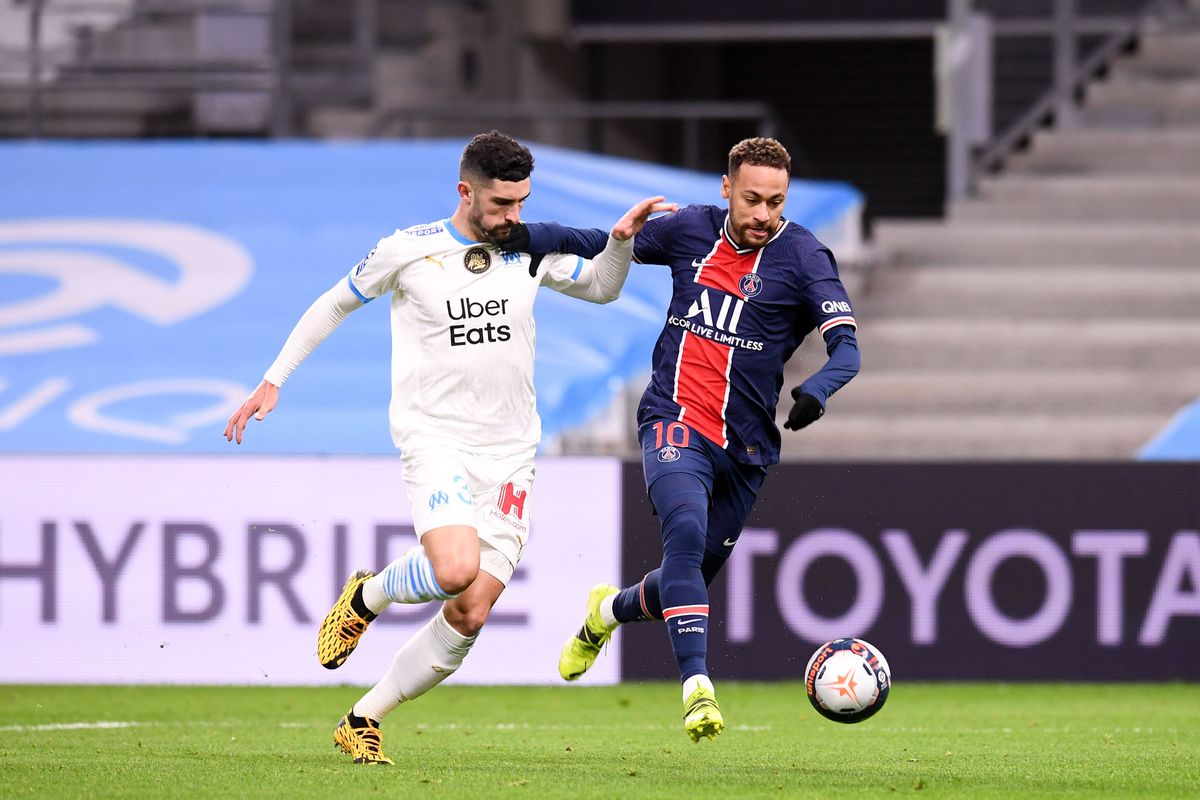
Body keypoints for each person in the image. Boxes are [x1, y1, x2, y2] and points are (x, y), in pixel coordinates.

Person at [223, 130, 674, 765]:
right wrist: (274, 379)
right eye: (501, 204)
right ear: (465, 191)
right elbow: (334, 303)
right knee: (455, 570)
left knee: (470, 611)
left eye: (521, 203)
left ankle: (363, 718)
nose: (513, 216)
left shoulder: (528, 249)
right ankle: (368, 597)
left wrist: (620, 243)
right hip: (436, 438)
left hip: (512, 450)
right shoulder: (409, 249)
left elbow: (602, 286)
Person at [502, 137, 860, 742]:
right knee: (686, 535)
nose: (763, 214)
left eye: (775, 202)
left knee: (683, 576)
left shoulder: (804, 256)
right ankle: (697, 689)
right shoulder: (691, 229)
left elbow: (847, 349)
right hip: (673, 418)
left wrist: (818, 389)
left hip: (746, 448)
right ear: (727, 188)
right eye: (751, 199)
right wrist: (521, 236)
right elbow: (599, 240)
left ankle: (604, 613)